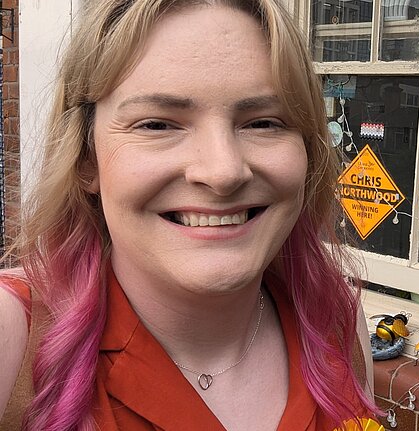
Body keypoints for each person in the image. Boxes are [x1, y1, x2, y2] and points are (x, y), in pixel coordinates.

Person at [0, 1, 382, 430]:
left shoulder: (338, 325)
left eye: (264, 123)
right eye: (157, 125)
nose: (222, 172)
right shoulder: (12, 338)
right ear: (86, 158)